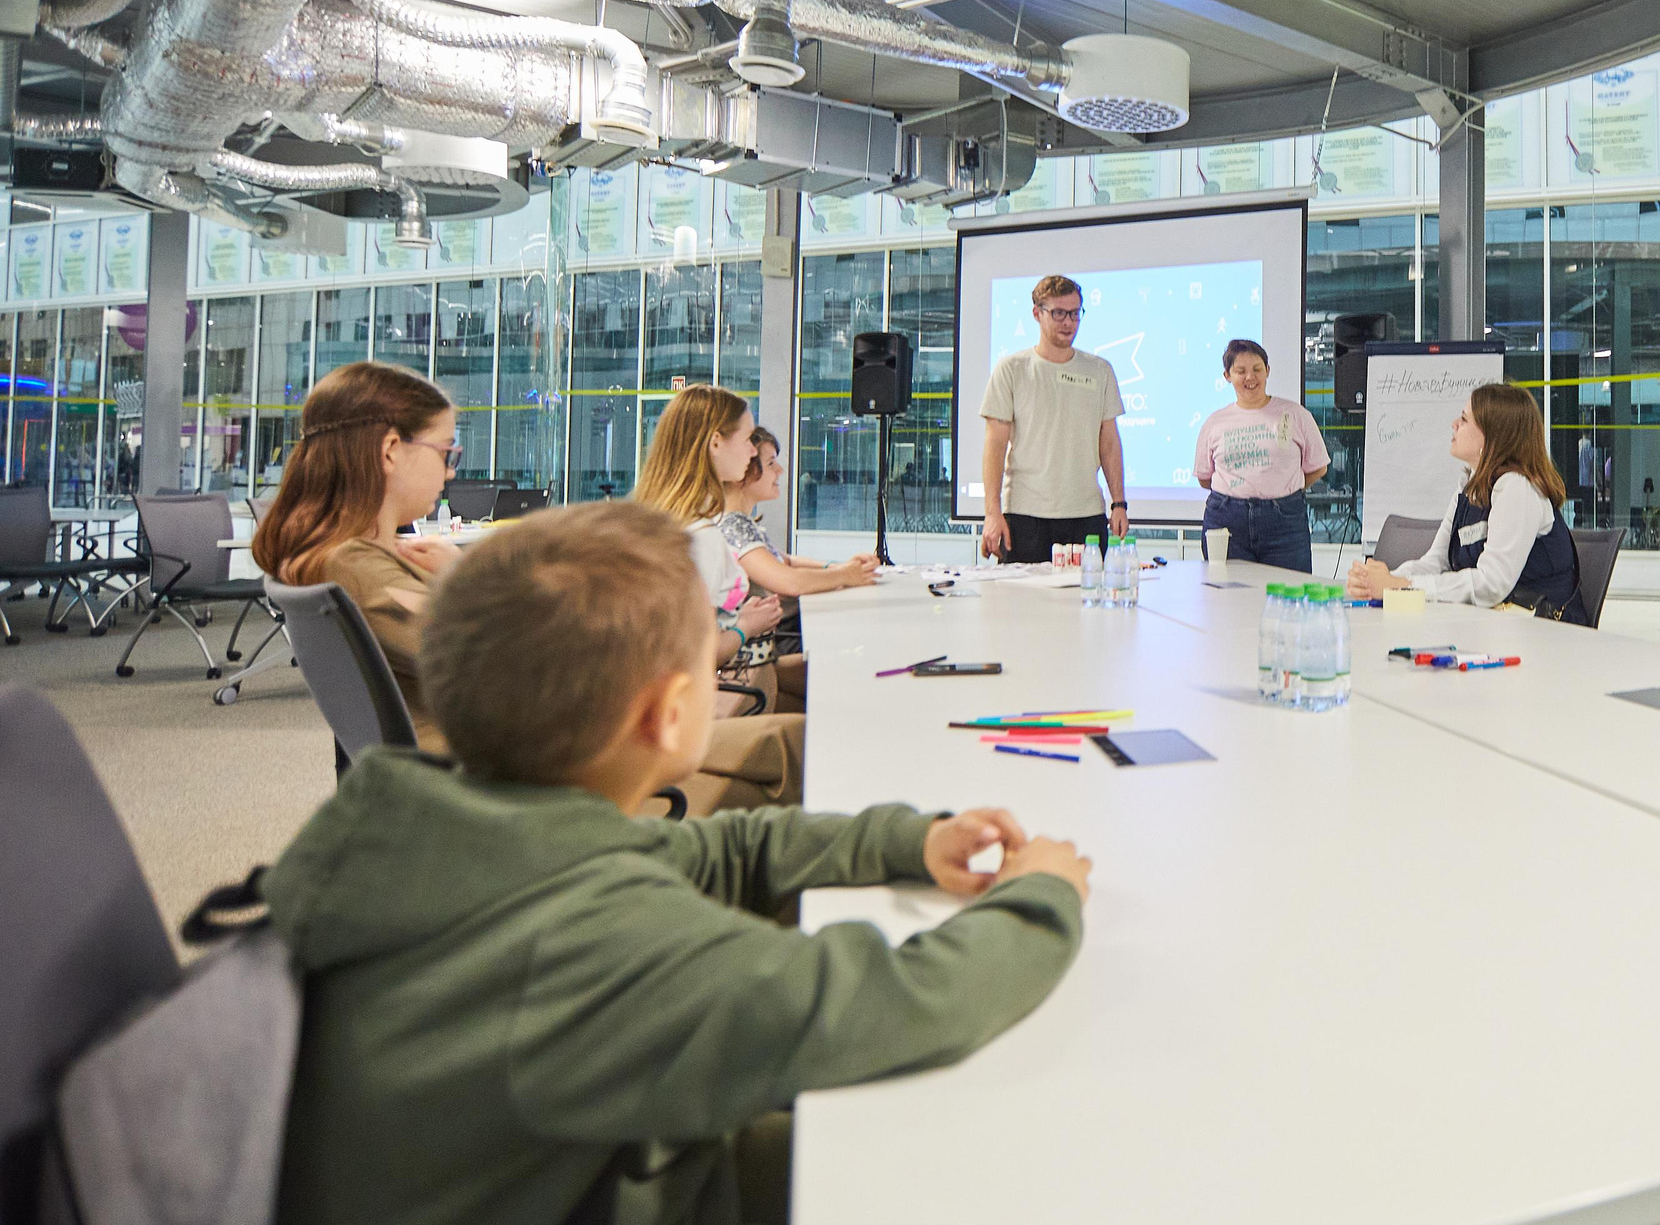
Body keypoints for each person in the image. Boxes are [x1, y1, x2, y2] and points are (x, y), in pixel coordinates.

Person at [264, 500, 1093, 1225]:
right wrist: (1039, 895)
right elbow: (904, 1000)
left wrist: (905, 840)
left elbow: (726, 845)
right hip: (578, 1194)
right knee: (935, 1150)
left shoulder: (457, 823)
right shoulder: (602, 945)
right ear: (668, 714)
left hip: (544, 1164)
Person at [251, 361, 462, 751]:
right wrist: (468, 579)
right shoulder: (356, 567)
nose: (449, 473)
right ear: (391, 451)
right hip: (473, 770)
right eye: (446, 453)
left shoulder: (343, 559)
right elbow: (496, 662)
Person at [1347, 383, 1590, 625]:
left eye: (1464, 419)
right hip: (1495, 626)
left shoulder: (1517, 488)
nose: (1454, 424)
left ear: (1494, 435)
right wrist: (1385, 579)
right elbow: (1436, 562)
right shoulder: (1469, 487)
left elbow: (1491, 584)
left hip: (1545, 634)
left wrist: (1403, 586)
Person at [633, 385, 789, 674]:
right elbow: (697, 657)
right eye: (747, 439)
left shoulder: (659, 521)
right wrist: (745, 627)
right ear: (715, 443)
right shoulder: (701, 536)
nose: (753, 450)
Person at [718, 426, 875, 711]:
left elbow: (783, 560)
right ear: (743, 472)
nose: (779, 470)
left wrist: (839, 567)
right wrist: (845, 575)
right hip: (773, 645)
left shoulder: (742, 523)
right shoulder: (733, 525)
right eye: (770, 463)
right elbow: (788, 581)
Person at [978, 274, 1128, 564]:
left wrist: (1118, 503)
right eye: (1058, 313)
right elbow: (995, 445)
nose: (1068, 322)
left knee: (1086, 605)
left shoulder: (1100, 370)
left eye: (1075, 313)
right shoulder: (1012, 369)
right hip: (1025, 514)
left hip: (1086, 514)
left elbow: (1109, 442)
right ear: (1037, 313)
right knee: (1020, 605)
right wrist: (992, 513)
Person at [1192, 338, 1327, 572]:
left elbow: (1318, 467)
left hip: (1284, 520)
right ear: (1227, 376)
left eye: (1256, 369)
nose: (1249, 378)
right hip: (1226, 520)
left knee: (1288, 596)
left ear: (1267, 371)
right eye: (1240, 371)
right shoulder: (1215, 422)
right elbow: (1205, 477)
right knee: (1228, 598)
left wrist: (1284, 486)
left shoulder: (1295, 414)